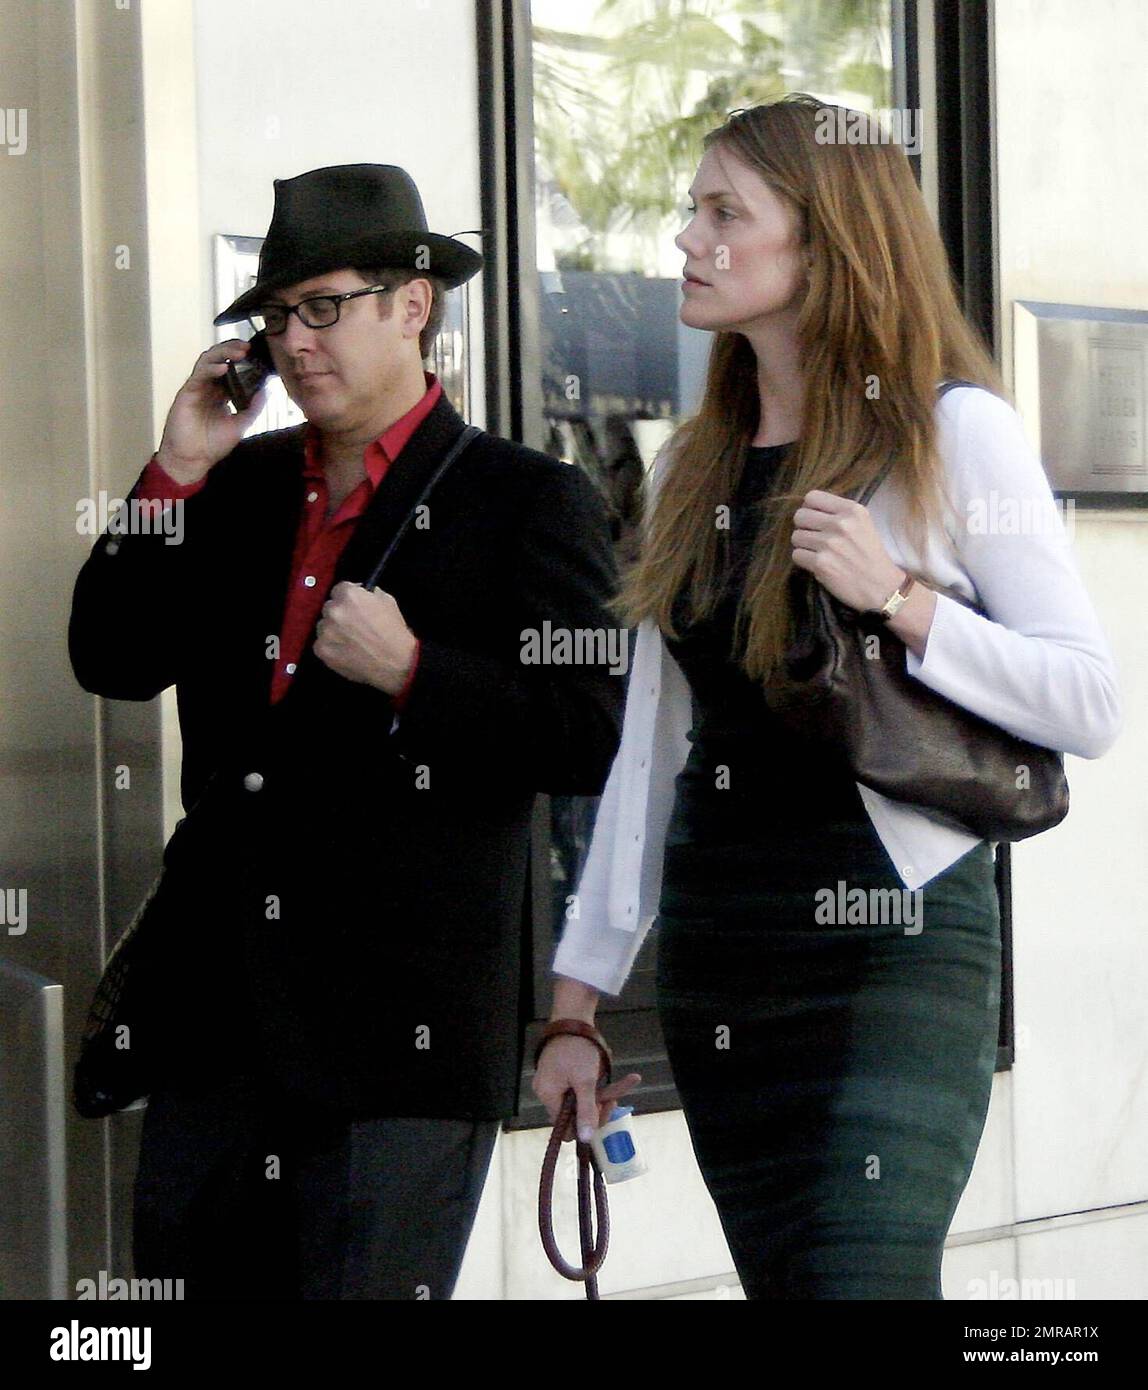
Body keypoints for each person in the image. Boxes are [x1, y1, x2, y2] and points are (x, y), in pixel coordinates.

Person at [534, 96, 1122, 1300]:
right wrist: (574, 1001)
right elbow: (647, 757)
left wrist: (904, 600)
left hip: (892, 958)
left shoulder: (952, 435)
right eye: (691, 210)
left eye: (723, 213)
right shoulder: (689, 461)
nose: (688, 241)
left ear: (827, 242)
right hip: (722, 963)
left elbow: (1087, 700)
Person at [68, 163, 625, 1300]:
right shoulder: (236, 483)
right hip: (220, 1031)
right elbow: (110, 655)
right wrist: (175, 468)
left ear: (411, 304)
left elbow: (587, 735)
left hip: (399, 1050)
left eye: (323, 307)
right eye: (277, 316)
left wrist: (418, 673)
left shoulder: (523, 499)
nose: (295, 340)